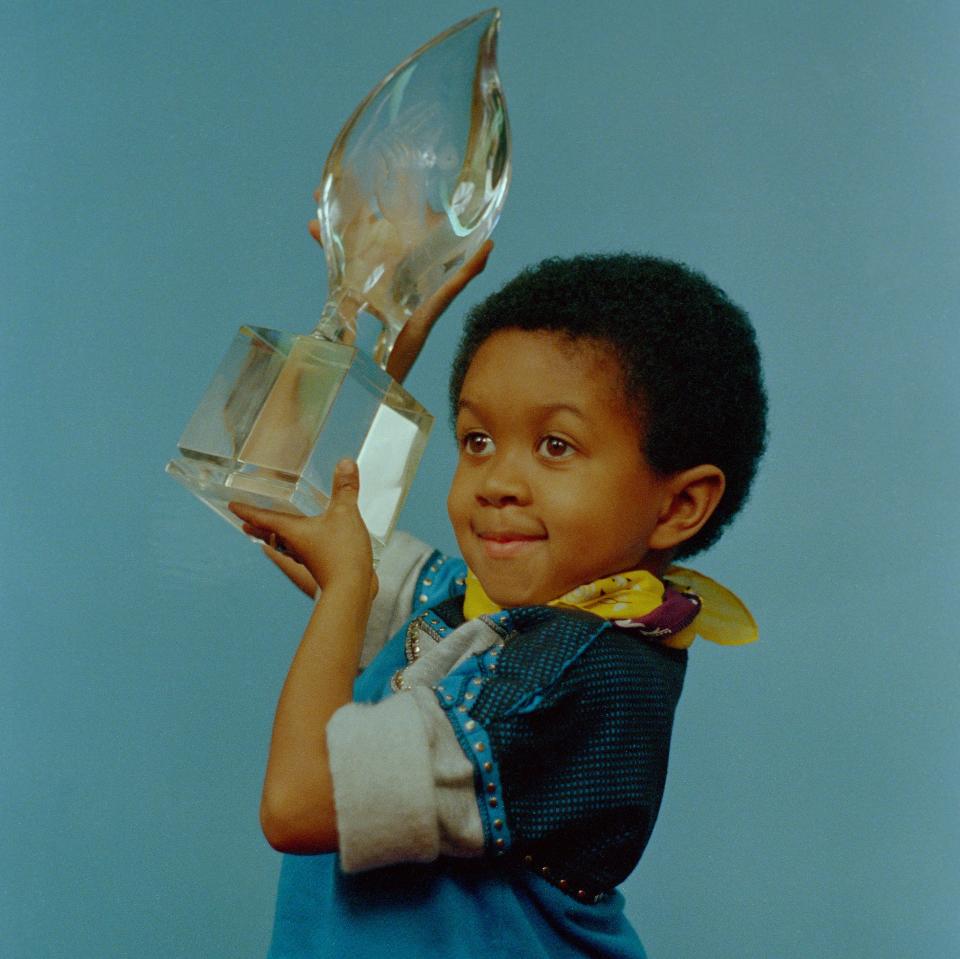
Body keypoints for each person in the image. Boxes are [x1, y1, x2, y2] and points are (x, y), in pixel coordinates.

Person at [229, 249, 768, 958]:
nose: (497, 481)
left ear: (680, 505)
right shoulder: (469, 603)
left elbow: (300, 802)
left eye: (555, 445)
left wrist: (348, 589)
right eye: (477, 440)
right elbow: (276, 492)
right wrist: (373, 336)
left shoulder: (573, 676)